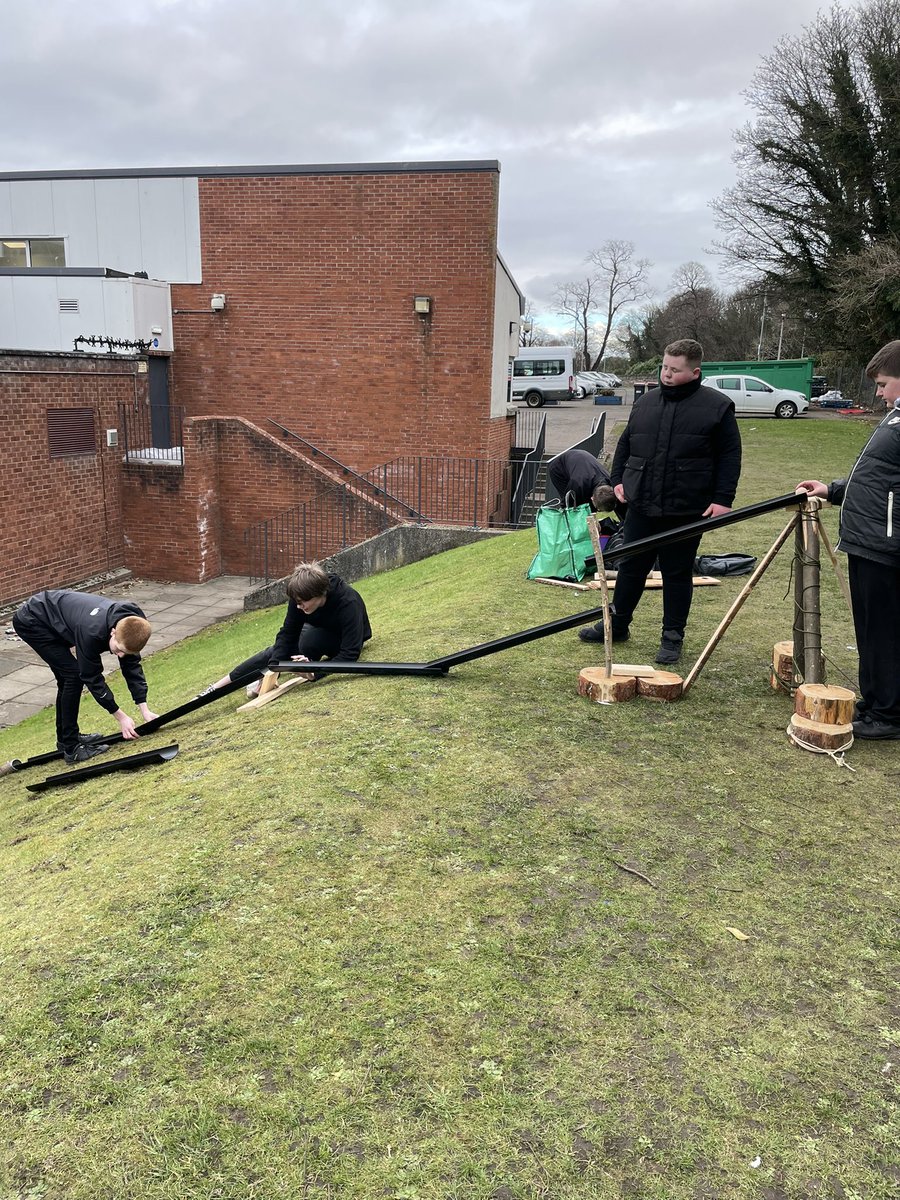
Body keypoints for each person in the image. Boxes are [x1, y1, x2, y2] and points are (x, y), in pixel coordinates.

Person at [578, 338, 742, 664]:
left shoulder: (717, 406)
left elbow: (730, 456)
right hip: (641, 501)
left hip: (686, 505)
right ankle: (617, 625)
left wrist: (723, 498)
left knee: (676, 572)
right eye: (664, 367)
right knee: (631, 566)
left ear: (695, 372)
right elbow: (626, 443)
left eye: (675, 370)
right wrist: (618, 480)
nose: (667, 374)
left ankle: (672, 637)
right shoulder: (646, 402)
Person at [796, 339, 900, 740]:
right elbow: (878, 479)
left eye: (884, 383)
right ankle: (875, 701)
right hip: (868, 538)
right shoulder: (894, 418)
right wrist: (834, 489)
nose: (878, 392)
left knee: (885, 631)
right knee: (870, 629)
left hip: (887, 545)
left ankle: (890, 714)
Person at [12, 589, 157, 764]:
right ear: (112, 632)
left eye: (125, 652)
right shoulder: (91, 632)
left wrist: (144, 709)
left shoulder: (133, 622)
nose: (120, 655)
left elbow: (132, 665)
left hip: (58, 617)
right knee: (73, 676)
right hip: (33, 620)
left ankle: (65, 738)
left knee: (67, 679)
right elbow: (92, 677)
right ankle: (72, 749)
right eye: (118, 649)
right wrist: (121, 717)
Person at [201, 561, 372, 697]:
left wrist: (314, 672)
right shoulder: (300, 597)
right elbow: (288, 633)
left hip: (341, 639)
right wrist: (274, 668)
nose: (298, 606)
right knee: (280, 649)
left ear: (318, 594)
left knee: (307, 642)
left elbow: (350, 654)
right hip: (317, 630)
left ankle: (280, 669)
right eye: (296, 602)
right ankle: (216, 687)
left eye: (302, 602)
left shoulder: (348, 603)